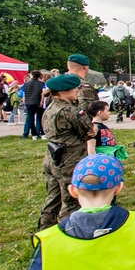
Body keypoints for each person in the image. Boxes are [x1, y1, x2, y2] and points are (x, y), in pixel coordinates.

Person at [38, 75, 97, 230]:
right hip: (69, 160)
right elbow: (88, 132)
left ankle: (44, 230)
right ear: (64, 91)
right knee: (71, 200)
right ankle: (69, 232)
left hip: (52, 157)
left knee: (53, 197)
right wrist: (93, 129)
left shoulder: (50, 107)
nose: (77, 91)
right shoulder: (70, 111)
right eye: (75, 88)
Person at [22, 70, 46, 140]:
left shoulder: (26, 83)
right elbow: (43, 93)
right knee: (40, 119)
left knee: (30, 119)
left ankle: (34, 134)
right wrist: (41, 101)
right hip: (38, 102)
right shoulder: (41, 83)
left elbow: (23, 93)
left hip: (29, 102)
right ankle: (42, 133)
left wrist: (24, 100)